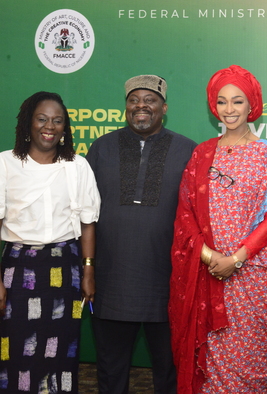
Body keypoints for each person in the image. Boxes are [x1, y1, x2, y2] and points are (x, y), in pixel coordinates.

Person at [169, 65, 267, 393]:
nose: (229, 109)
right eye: (222, 102)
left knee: (252, 361)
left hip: (254, 276)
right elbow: (186, 217)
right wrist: (211, 258)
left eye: (237, 101)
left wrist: (236, 258)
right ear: (214, 106)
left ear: (252, 105)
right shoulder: (201, 154)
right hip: (207, 274)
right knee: (211, 365)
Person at [85, 75, 196, 394]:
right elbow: (85, 213)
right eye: (134, 100)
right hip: (112, 281)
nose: (141, 106)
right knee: (110, 368)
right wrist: (88, 266)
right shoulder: (101, 147)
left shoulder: (187, 149)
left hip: (167, 281)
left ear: (164, 107)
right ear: (125, 107)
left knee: (169, 370)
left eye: (149, 99)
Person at [0, 91, 100, 393]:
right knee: (16, 346)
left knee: (61, 348)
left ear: (65, 128)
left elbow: (88, 224)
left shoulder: (77, 166)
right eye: (42, 119)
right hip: (18, 268)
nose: (50, 126)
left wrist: (88, 272)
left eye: (58, 121)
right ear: (28, 123)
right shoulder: (5, 164)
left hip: (64, 267)